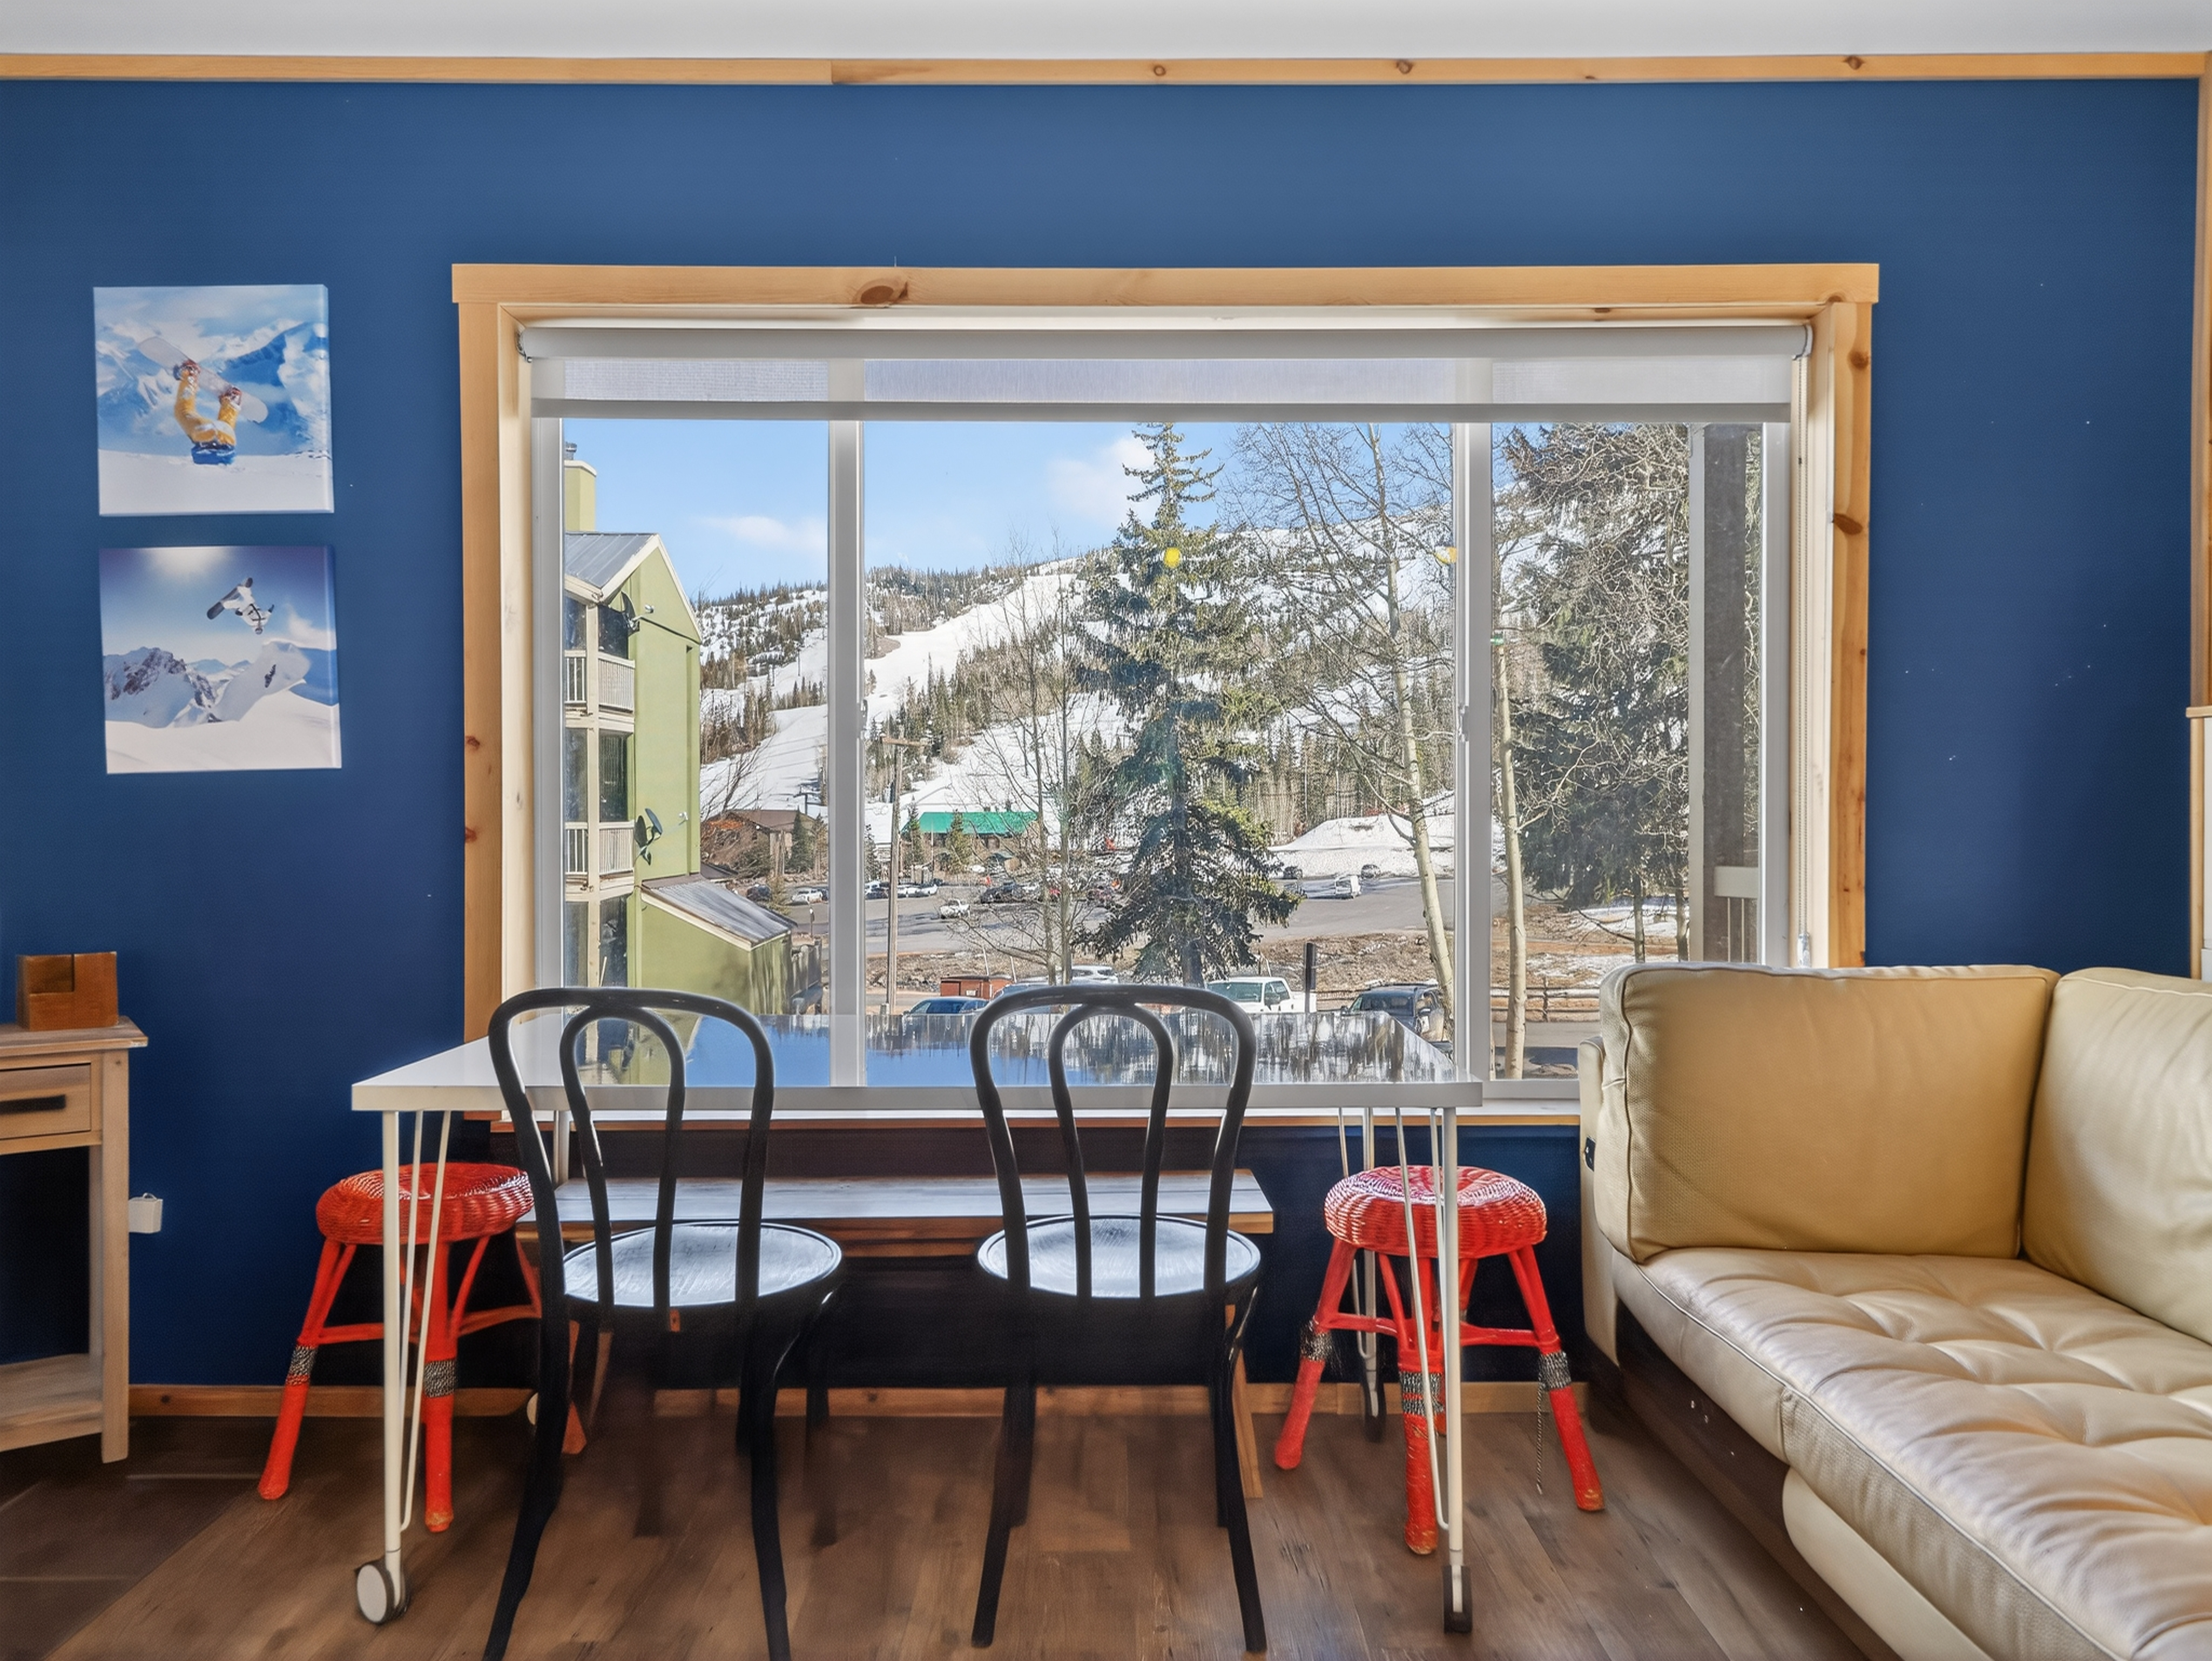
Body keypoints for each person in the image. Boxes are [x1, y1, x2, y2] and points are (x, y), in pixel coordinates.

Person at [171, 359, 244, 465]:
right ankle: (190, 374)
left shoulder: (224, 469)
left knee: (224, 428)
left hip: (229, 438)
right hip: (206, 435)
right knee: (183, 411)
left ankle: (232, 402)